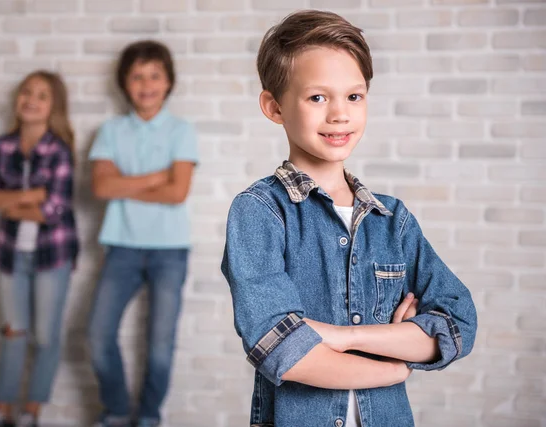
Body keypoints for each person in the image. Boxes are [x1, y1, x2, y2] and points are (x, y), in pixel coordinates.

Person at [221, 10, 477, 427]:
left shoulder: (393, 220)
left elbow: (458, 323)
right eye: (318, 97)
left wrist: (346, 337)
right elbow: (282, 348)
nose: (340, 114)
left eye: (354, 96)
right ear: (274, 106)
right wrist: (392, 363)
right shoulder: (260, 211)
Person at [87, 40, 198, 427]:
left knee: (160, 347)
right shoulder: (110, 130)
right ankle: (117, 412)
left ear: (168, 82)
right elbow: (101, 188)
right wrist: (155, 176)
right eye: (137, 76)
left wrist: (125, 182)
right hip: (122, 247)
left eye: (154, 75)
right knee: (98, 337)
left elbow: (177, 192)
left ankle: (148, 417)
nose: (146, 84)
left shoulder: (182, 131)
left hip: (170, 250)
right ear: (124, 83)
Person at [0, 70, 79, 427]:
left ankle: (31, 411)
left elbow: (54, 210)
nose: (31, 100)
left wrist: (11, 202)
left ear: (54, 107)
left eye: (42, 95)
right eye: (26, 92)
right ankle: (2, 409)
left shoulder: (59, 150)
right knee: (13, 330)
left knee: (46, 334)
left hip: (53, 255)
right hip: (10, 254)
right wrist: (30, 195)